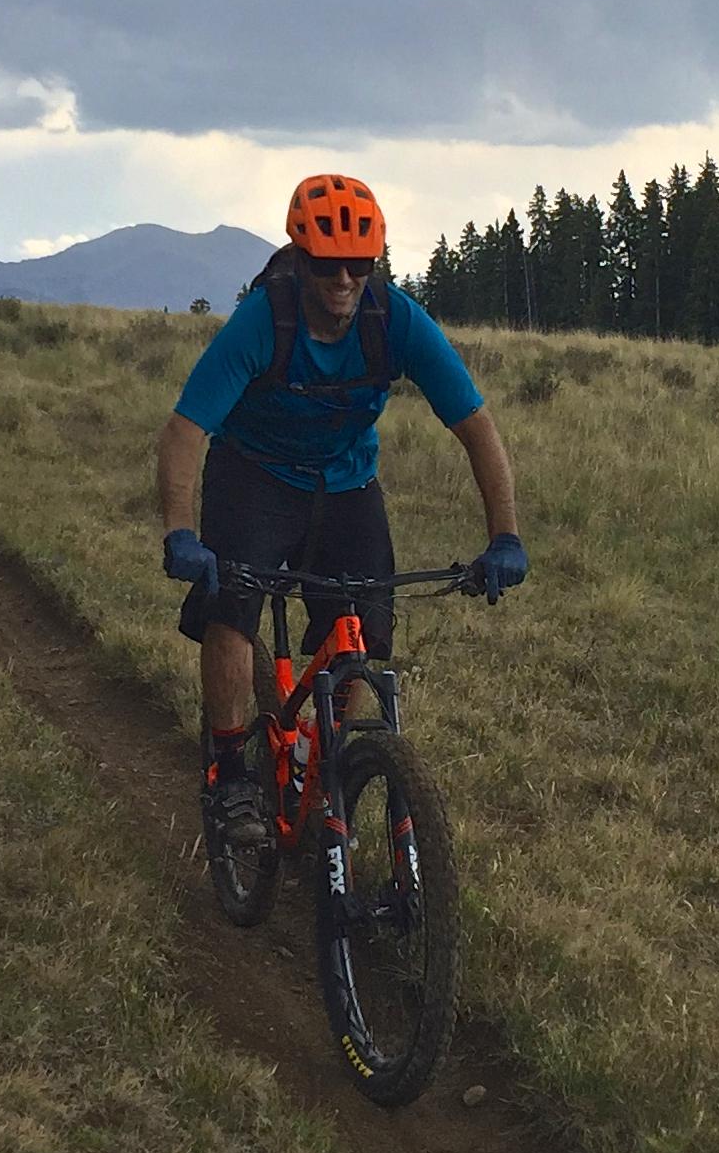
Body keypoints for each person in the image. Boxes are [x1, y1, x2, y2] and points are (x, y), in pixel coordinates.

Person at [156, 173, 524, 846]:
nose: (345, 280)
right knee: (231, 612)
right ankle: (230, 772)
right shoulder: (261, 322)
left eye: (361, 264)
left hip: (347, 484)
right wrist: (181, 532)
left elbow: (476, 427)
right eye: (328, 265)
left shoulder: (396, 320)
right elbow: (185, 430)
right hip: (254, 476)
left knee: (365, 635)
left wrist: (505, 537)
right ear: (300, 259)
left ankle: (333, 773)